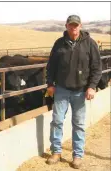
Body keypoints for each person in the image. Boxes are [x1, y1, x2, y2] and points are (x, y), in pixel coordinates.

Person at [45, 15, 102, 169]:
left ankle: (77, 155)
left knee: (79, 124)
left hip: (80, 90)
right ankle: (56, 151)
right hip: (62, 89)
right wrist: (50, 84)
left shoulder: (90, 44)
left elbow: (97, 68)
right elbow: (51, 66)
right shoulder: (59, 44)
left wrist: (92, 86)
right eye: (71, 25)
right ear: (66, 26)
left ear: (80, 26)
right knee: (56, 121)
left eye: (76, 25)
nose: (73, 28)